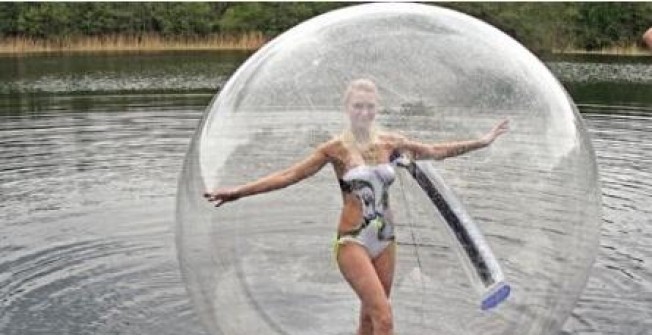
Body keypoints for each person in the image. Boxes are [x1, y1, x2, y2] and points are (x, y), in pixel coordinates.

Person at [204, 78, 509, 335]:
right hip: (353, 241)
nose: (364, 112)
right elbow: (290, 174)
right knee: (385, 317)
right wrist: (239, 192)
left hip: (386, 241)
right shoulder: (335, 149)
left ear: (377, 108)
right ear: (347, 109)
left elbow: (435, 151)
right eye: (358, 106)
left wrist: (482, 141)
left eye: (370, 106)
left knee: (369, 318)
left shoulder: (391, 142)